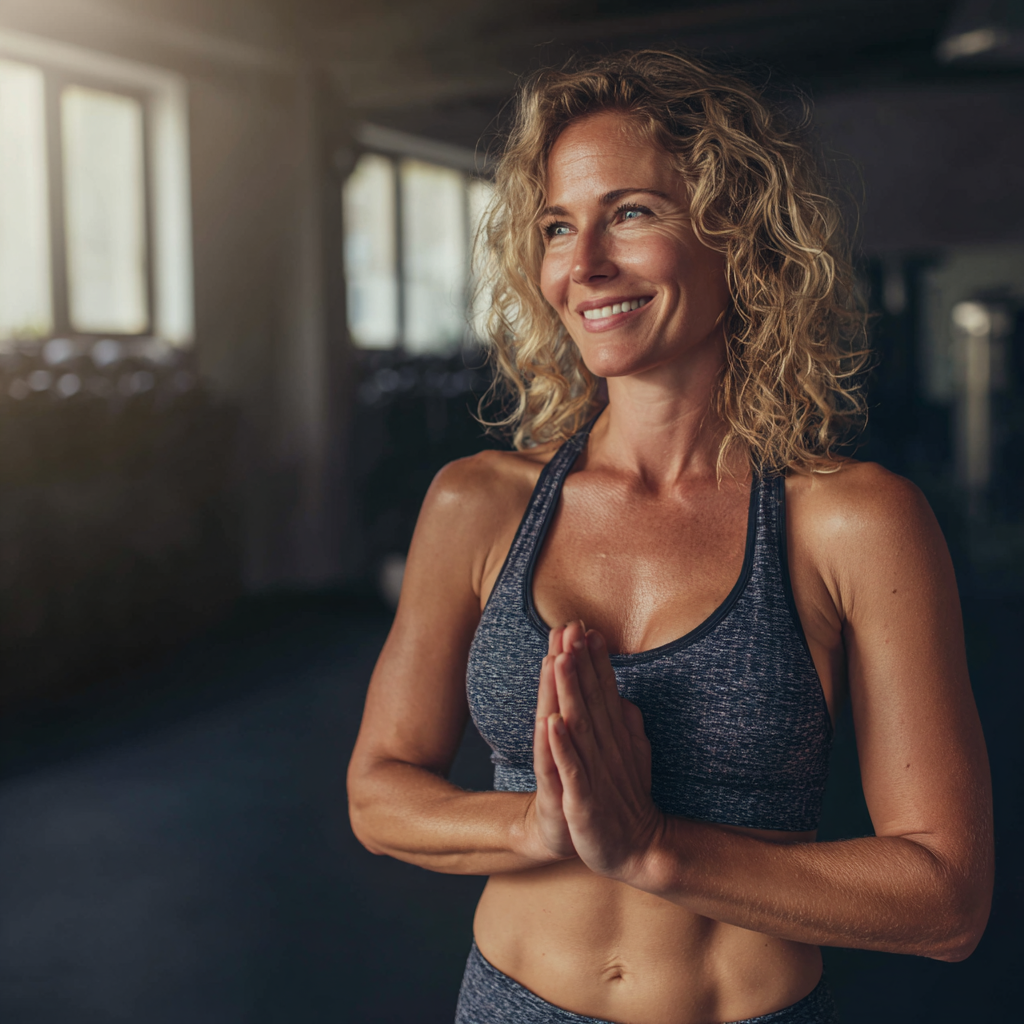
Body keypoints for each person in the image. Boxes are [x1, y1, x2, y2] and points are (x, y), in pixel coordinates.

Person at [346, 50, 993, 1024]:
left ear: (739, 234)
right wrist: (540, 824)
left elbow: (944, 898)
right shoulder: (477, 504)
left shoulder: (851, 523)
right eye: (559, 226)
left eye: (631, 212)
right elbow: (378, 791)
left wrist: (650, 845)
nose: (585, 264)